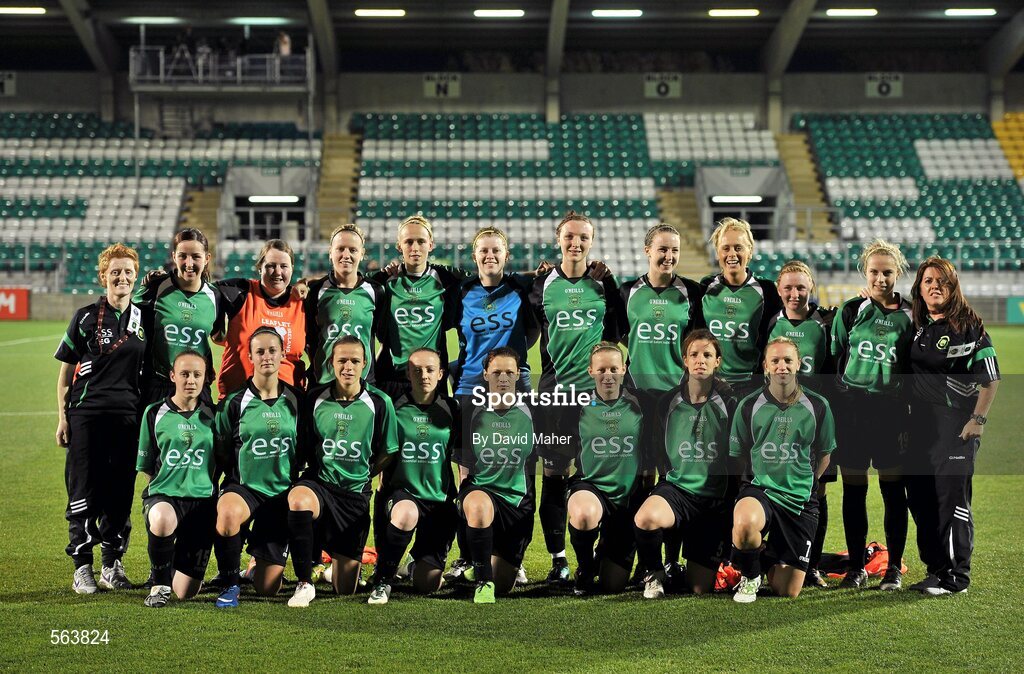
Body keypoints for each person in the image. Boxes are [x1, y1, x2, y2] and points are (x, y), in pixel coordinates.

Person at [530, 210, 624, 586]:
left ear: (592, 241)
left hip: (597, 398)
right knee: (554, 475)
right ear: (559, 240)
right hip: (555, 395)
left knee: (596, 472)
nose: (576, 243)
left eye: (583, 237)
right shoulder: (540, 284)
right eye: (569, 237)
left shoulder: (603, 284)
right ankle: (558, 559)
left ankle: (596, 552)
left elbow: (617, 332)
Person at [444, 226, 539, 582]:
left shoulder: (519, 288)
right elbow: (450, 330)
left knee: (522, 461)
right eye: (483, 251)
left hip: (515, 380)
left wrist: (516, 359)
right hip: (471, 385)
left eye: (496, 250)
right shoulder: (463, 291)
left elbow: (532, 331)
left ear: (506, 255)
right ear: (474, 256)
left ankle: (516, 555)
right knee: (468, 470)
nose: (490, 256)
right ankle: (468, 556)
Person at [55, 243, 146, 594]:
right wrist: (62, 419)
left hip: (127, 420)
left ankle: (112, 563)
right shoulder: (85, 316)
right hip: (86, 417)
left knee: (120, 493)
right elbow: (65, 376)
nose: (121, 277)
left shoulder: (144, 318)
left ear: (135, 276)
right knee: (82, 491)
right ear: (103, 276)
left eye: (127, 271)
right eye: (115, 272)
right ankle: (82, 567)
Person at [906, 257, 999, 595]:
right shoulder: (916, 323)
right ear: (919, 286)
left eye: (942, 281)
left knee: (952, 500)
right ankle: (936, 570)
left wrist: (978, 419)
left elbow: (990, 379)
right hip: (919, 429)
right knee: (919, 498)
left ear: (953, 286)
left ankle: (956, 577)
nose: (935, 286)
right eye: (928, 280)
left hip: (954, 428)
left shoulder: (969, 326)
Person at [286, 335, 398, 607]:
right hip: (321, 485)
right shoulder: (315, 397)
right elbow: (304, 445)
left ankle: (334, 567)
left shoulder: (380, 402)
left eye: (355, 361)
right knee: (299, 499)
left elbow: (389, 450)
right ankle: (304, 583)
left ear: (365, 364)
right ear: (331, 363)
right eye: (342, 360)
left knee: (344, 589)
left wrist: (365, 473)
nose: (348, 366)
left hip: (354, 496)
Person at [619, 223, 705, 581]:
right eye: (662, 249)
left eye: (674, 250)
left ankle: (673, 559)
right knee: (640, 476)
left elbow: (697, 341)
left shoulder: (692, 292)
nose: (668, 256)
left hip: (676, 399)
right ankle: (644, 558)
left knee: (674, 475)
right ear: (647, 251)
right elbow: (619, 335)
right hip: (638, 396)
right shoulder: (626, 291)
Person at [831, 239, 913, 590]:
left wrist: (909, 420)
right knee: (854, 491)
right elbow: (834, 359)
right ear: (865, 273)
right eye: (874, 272)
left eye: (888, 272)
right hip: (852, 412)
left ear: (898, 274)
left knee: (893, 491)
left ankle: (893, 567)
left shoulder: (911, 315)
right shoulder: (850, 311)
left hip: (890, 413)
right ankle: (856, 568)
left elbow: (913, 371)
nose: (881, 279)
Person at [729, 338, 837, 603]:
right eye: (775, 361)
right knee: (744, 522)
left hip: (799, 499)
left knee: (787, 591)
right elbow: (739, 455)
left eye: (788, 360)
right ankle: (751, 574)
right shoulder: (748, 405)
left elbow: (824, 454)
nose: (782, 366)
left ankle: (761, 554)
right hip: (762, 491)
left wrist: (806, 481)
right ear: (765, 366)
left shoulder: (818, 405)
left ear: (799, 364)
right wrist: (750, 487)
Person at [633, 329, 734, 598]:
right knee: (646, 517)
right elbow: (659, 451)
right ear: (685, 361)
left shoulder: (730, 401)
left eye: (707, 355)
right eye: (694, 354)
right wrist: (666, 483)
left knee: (699, 588)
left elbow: (738, 457)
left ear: (717, 362)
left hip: (713, 499)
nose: (700, 360)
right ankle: (654, 574)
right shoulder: (667, 401)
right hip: (678, 492)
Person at [211, 327, 302, 608]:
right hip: (245, 489)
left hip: (280, 495)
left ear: (282, 354)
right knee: (226, 513)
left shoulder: (298, 401)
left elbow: (305, 449)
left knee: (267, 588)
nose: (266, 357)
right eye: (259, 351)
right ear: (249, 356)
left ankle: (254, 567)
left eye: (272, 350)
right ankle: (229, 583)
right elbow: (222, 450)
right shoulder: (235, 402)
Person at [367, 348, 460, 604]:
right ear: (408, 373)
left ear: (441, 374)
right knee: (406, 513)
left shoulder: (452, 409)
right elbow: (384, 454)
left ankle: (413, 563)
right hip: (403, 496)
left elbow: (462, 455)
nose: (424, 375)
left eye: (430, 369)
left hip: (439, 501)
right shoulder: (393, 407)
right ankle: (383, 580)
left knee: (427, 584)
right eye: (417, 370)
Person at [767, 260, 836, 587]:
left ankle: (813, 563)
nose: (795, 294)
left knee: (817, 491)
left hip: (815, 419)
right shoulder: (772, 322)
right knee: (776, 488)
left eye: (801, 287)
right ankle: (776, 559)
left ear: (811, 288)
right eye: (788, 288)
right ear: (779, 290)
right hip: (780, 422)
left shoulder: (827, 320)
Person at [137, 350, 218, 608]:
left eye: (197, 375)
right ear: (173, 376)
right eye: (184, 374)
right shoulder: (154, 413)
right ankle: (159, 583)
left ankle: (169, 562)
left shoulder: (215, 416)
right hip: (166, 496)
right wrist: (167, 487)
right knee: (162, 519)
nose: (190, 380)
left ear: (206, 379)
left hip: (202, 504)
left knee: (186, 592)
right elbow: (148, 466)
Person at [456, 347, 538, 603]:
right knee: (478, 504)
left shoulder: (534, 412)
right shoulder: (470, 411)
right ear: (485, 375)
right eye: (496, 372)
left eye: (509, 373)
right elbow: (465, 466)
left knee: (504, 584)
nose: (503, 378)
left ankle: (483, 567)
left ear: (518, 376)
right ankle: (482, 582)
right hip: (483, 494)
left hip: (517, 504)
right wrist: (464, 504)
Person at [566, 342, 645, 595]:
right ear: (591, 371)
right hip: (591, 488)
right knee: (583, 514)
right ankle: (585, 568)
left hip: (627, 499)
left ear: (623, 370)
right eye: (601, 370)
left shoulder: (642, 403)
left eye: (614, 369)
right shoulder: (577, 406)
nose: (608, 375)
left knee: (613, 585)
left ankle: (604, 553)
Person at [373, 215, 471, 399]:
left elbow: (488, 278)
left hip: (432, 377)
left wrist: (533, 276)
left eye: (421, 241)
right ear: (399, 245)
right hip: (393, 378)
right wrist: (306, 283)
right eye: (408, 242)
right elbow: (347, 282)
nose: (415, 248)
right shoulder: (384, 280)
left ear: (431, 245)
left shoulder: (446, 278)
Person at [135, 228, 228, 405]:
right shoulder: (156, 287)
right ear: (173, 256)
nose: (189, 263)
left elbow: (218, 336)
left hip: (197, 388)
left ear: (207, 258)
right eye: (182, 256)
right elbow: (128, 323)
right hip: (157, 386)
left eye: (196, 256)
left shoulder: (215, 297)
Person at [701, 217, 783, 397]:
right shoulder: (705, 288)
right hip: (711, 385)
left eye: (738, 248)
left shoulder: (767, 291)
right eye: (726, 248)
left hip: (751, 386)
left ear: (750, 251)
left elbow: (796, 309)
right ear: (717, 253)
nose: (732, 254)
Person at [215, 239, 307, 398]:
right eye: (271, 265)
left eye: (284, 266)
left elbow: (331, 283)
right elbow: (198, 288)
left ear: (292, 269)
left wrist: (307, 281)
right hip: (237, 402)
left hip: (287, 404)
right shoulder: (240, 291)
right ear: (259, 268)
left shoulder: (303, 303)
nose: (277, 272)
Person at [305, 223, 385, 387]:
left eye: (353, 250)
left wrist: (370, 372)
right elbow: (309, 340)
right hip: (323, 385)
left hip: (363, 385)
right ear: (330, 252)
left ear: (362, 254)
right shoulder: (316, 291)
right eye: (340, 249)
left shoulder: (376, 291)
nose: (346, 255)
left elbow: (384, 339)